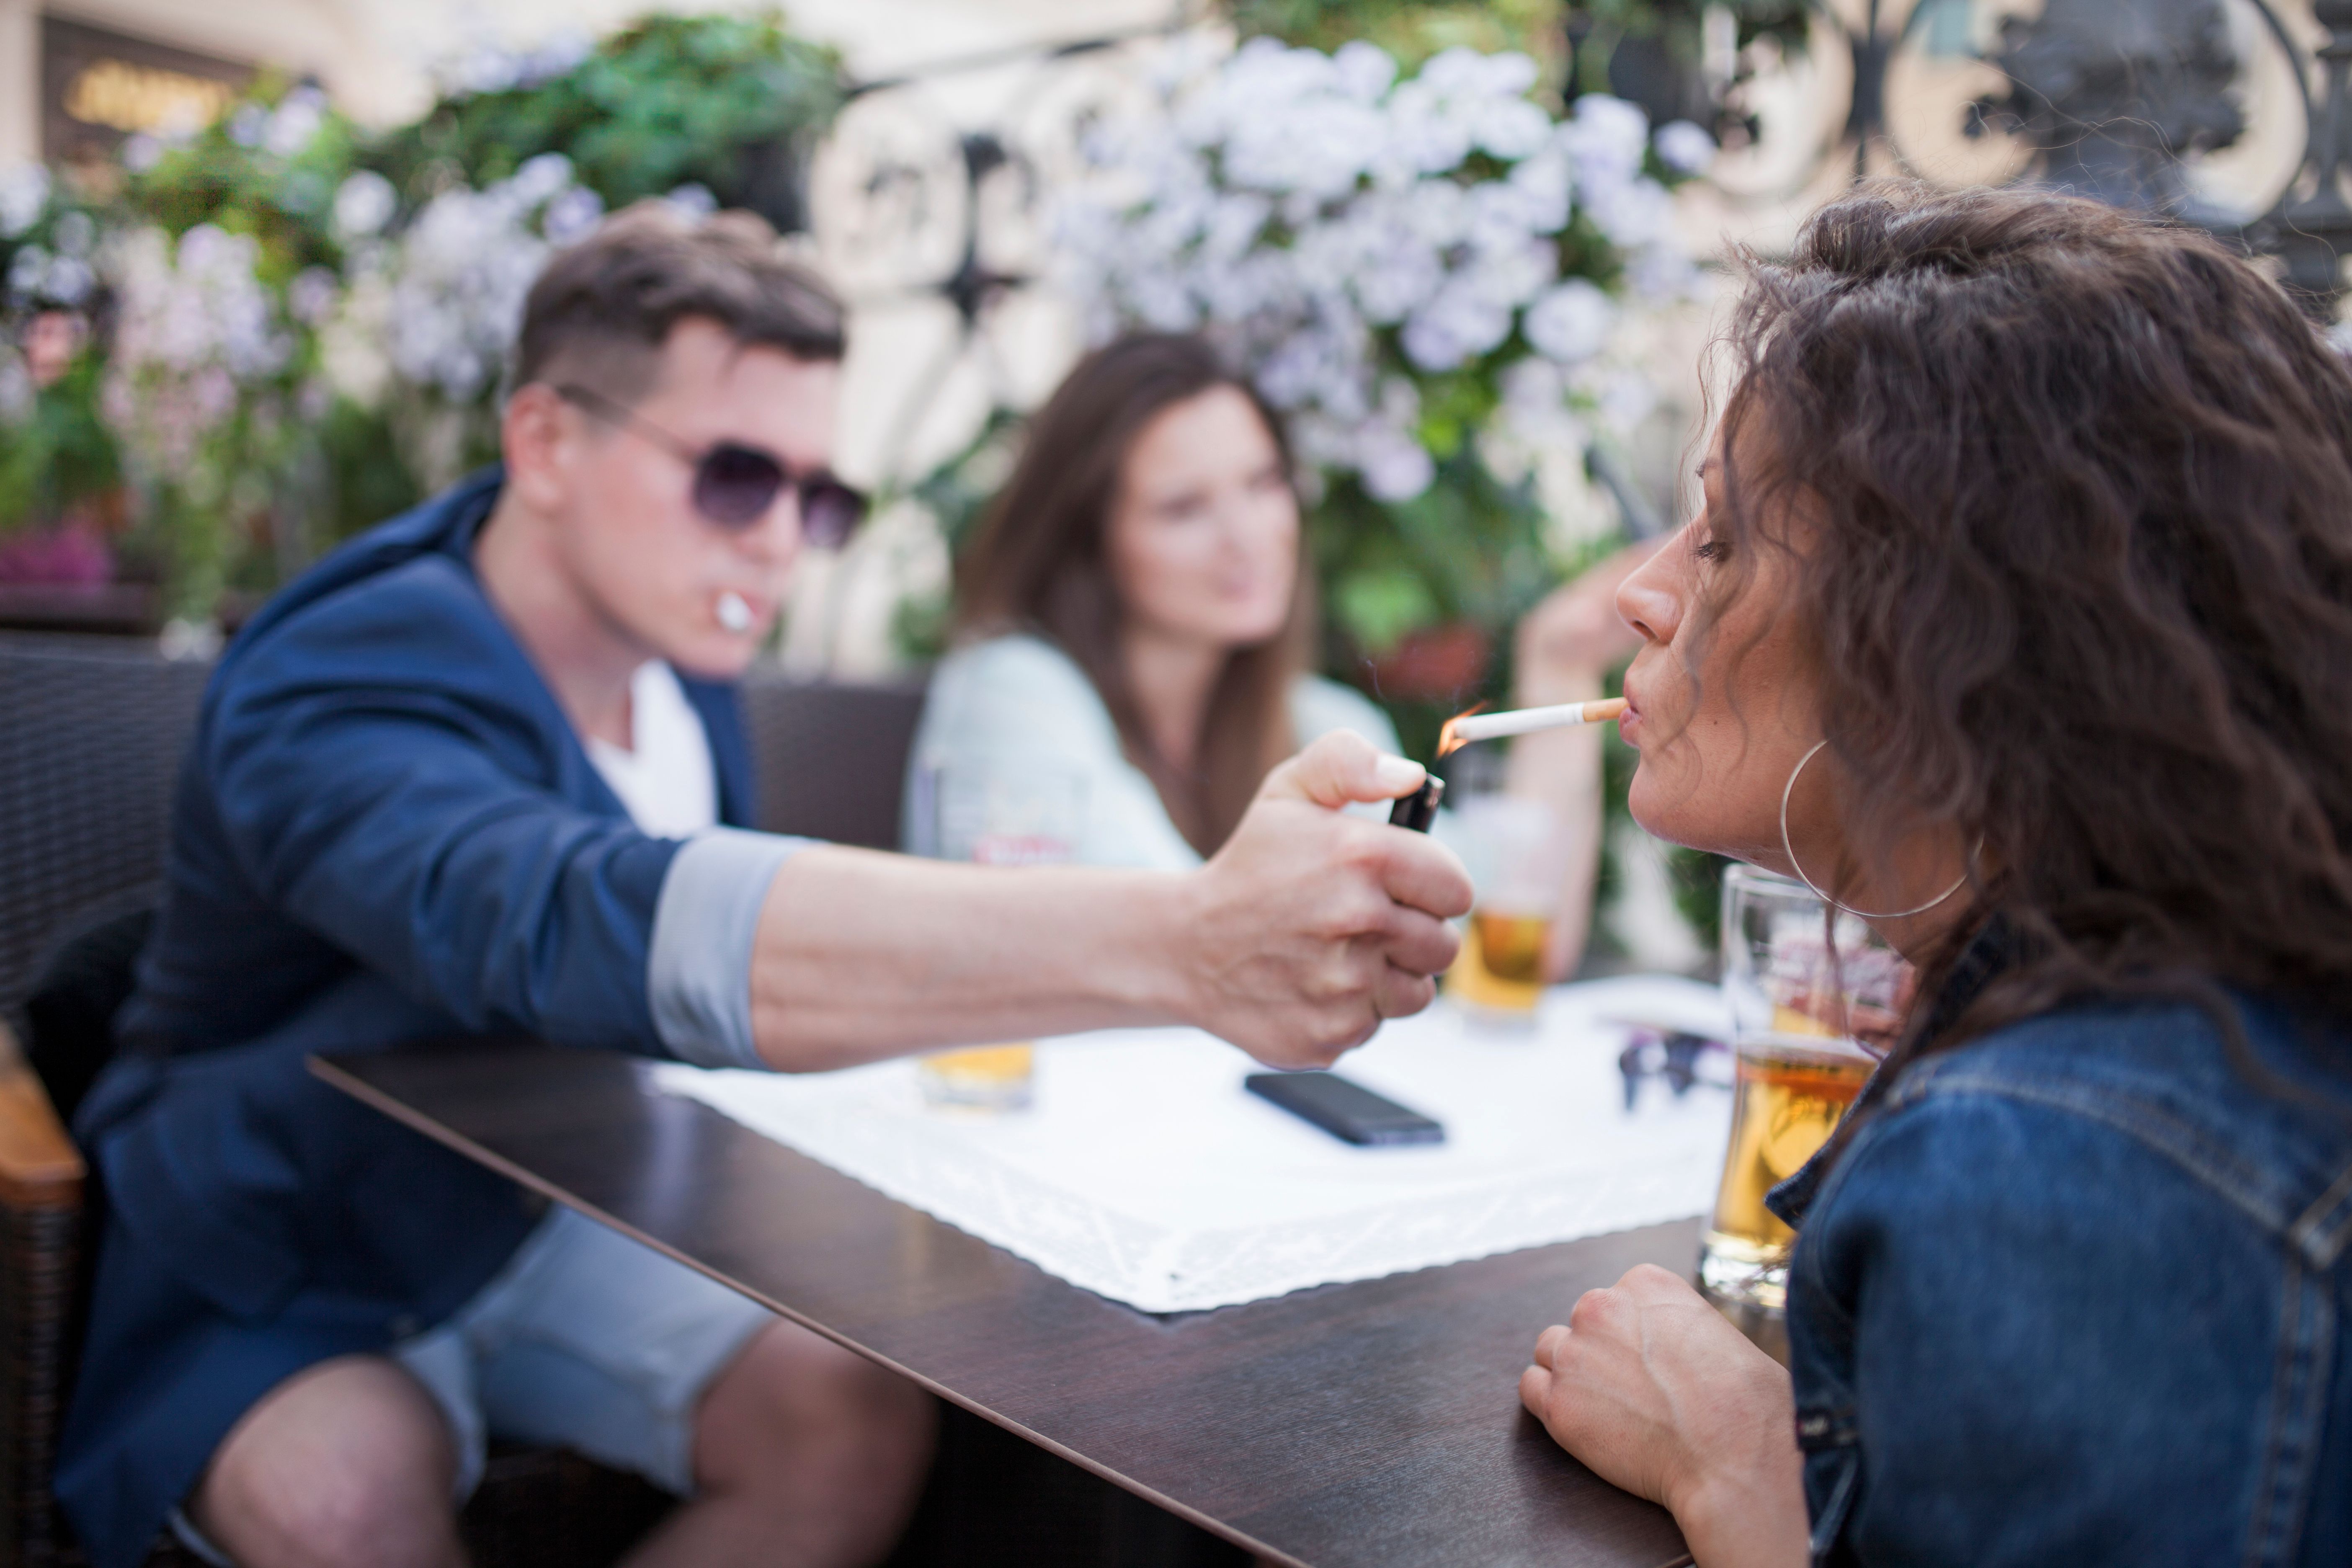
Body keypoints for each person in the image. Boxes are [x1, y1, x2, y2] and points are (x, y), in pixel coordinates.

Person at [59, 206, 1473, 1568]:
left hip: (557, 1205)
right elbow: (565, 915)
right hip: (290, 1243)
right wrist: (1186, 943)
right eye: (735, 476)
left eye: (818, 495)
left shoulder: (679, 656)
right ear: (544, 440)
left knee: (851, 1416)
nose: (778, 538)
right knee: (346, 1500)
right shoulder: (342, 670)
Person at [1514, 183, 2352, 1566]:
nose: (1642, 591)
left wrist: (1732, 1462)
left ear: (1936, 630)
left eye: (1719, 539)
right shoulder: (2159, 1031)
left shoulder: (2054, 1169)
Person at [910, 331, 1654, 977]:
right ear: (1087, 541)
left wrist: (1558, 662)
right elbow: (1167, 945)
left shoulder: (1313, 719)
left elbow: (1505, 934)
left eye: (1263, 483)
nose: (1247, 535)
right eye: (1183, 507)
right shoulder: (1014, 692)